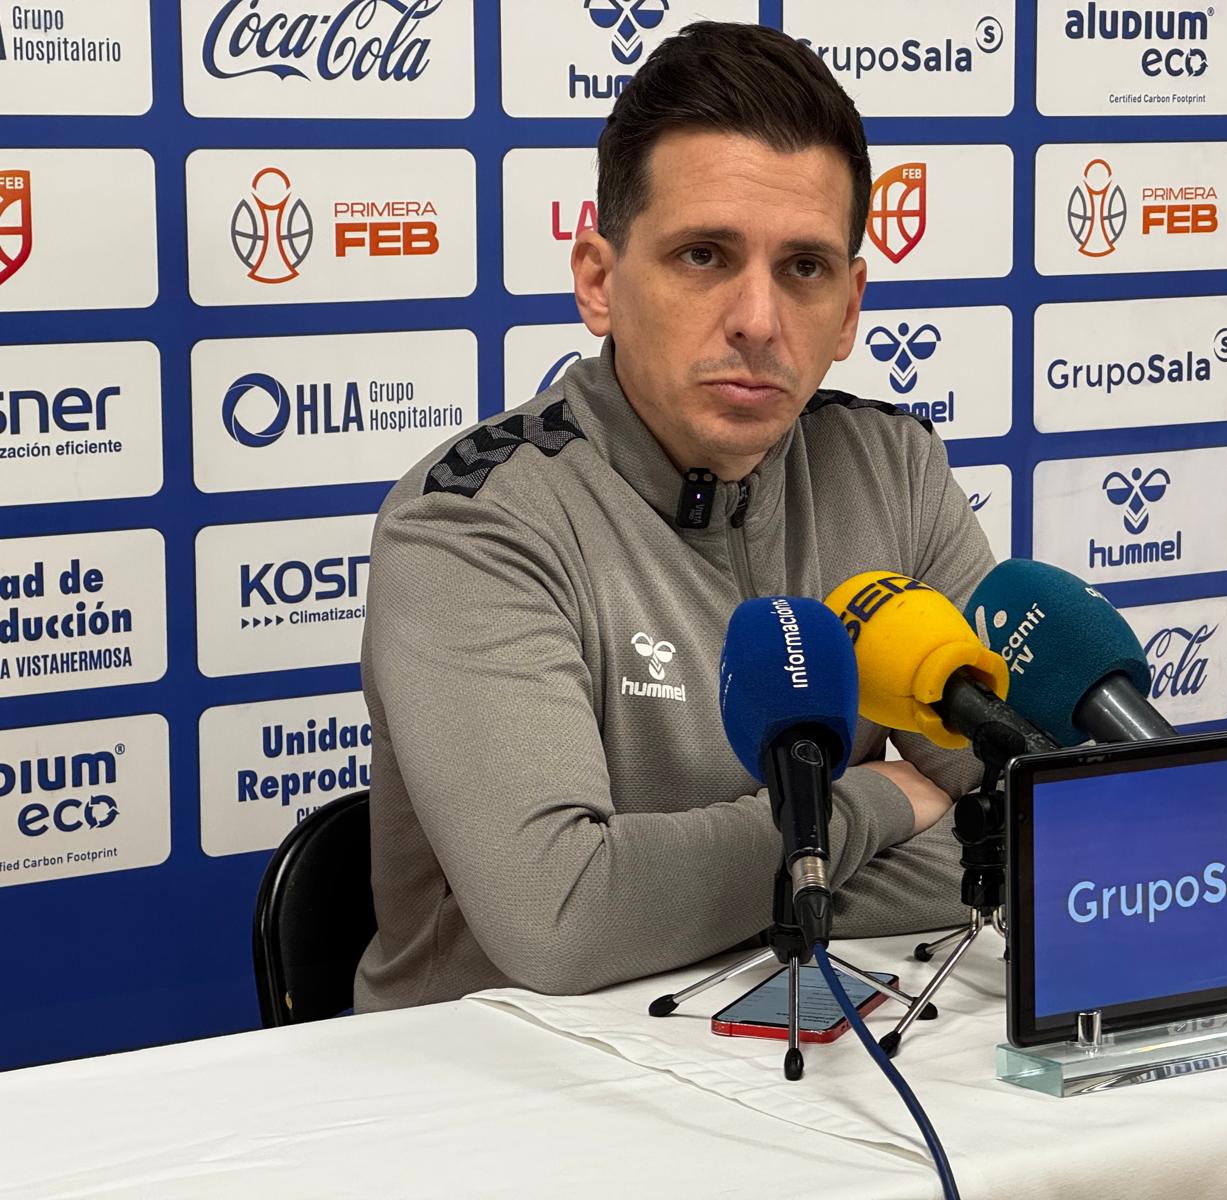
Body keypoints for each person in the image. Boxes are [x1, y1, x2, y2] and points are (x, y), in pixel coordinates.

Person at [354, 22, 995, 1010]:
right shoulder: (474, 526)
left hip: (819, 1052)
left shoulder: (889, 472)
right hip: (502, 1106)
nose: (757, 320)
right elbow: (565, 918)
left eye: (805, 268)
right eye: (704, 255)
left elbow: (1040, 828)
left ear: (852, 304)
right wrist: (873, 805)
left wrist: (706, 880)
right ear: (600, 282)